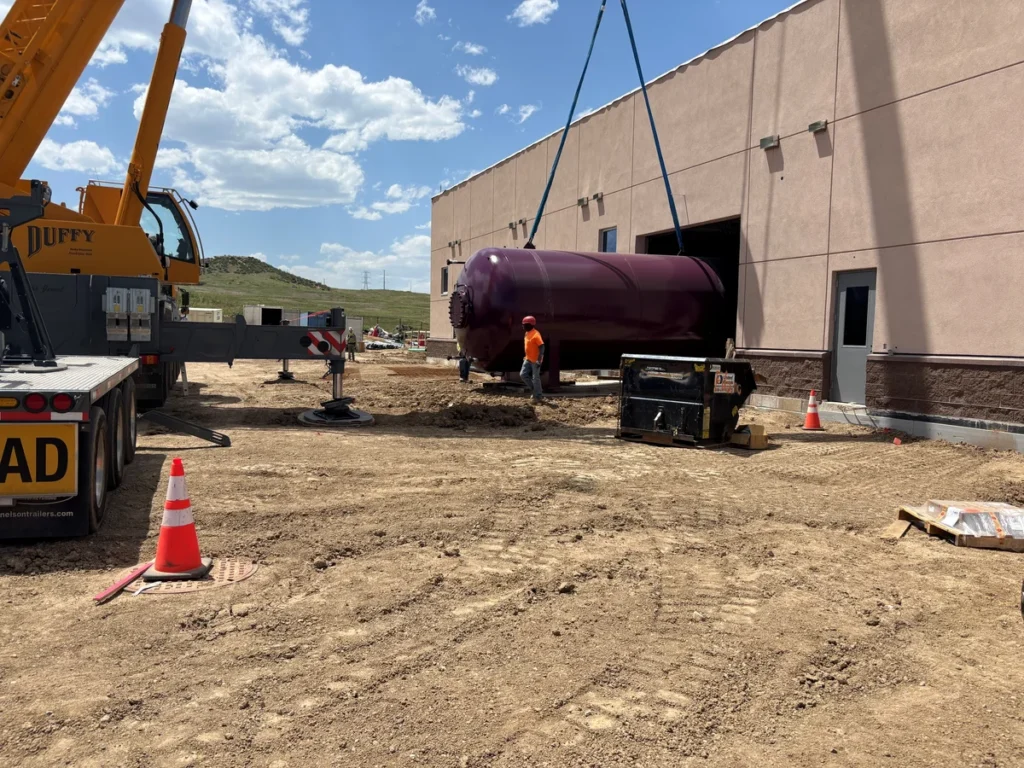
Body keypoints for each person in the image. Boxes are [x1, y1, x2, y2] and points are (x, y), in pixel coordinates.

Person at [520, 315, 544, 402]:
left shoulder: (536, 334)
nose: (523, 326)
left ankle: (538, 396)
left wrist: (539, 359)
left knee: (535, 378)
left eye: (524, 324)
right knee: (523, 374)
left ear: (530, 325)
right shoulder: (527, 333)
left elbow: (542, 347)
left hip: (535, 360)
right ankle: (535, 390)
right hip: (527, 359)